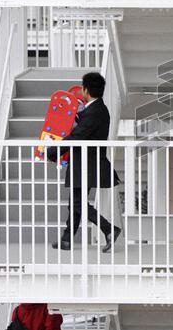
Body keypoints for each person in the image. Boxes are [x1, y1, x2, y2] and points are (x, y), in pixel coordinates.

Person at [48, 71, 121, 253]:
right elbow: (82, 129)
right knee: (76, 202)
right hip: (85, 163)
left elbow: (77, 136)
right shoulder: (96, 109)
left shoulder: (95, 111)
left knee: (78, 203)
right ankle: (66, 238)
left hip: (86, 164)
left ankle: (108, 228)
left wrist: (53, 151)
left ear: (85, 90)